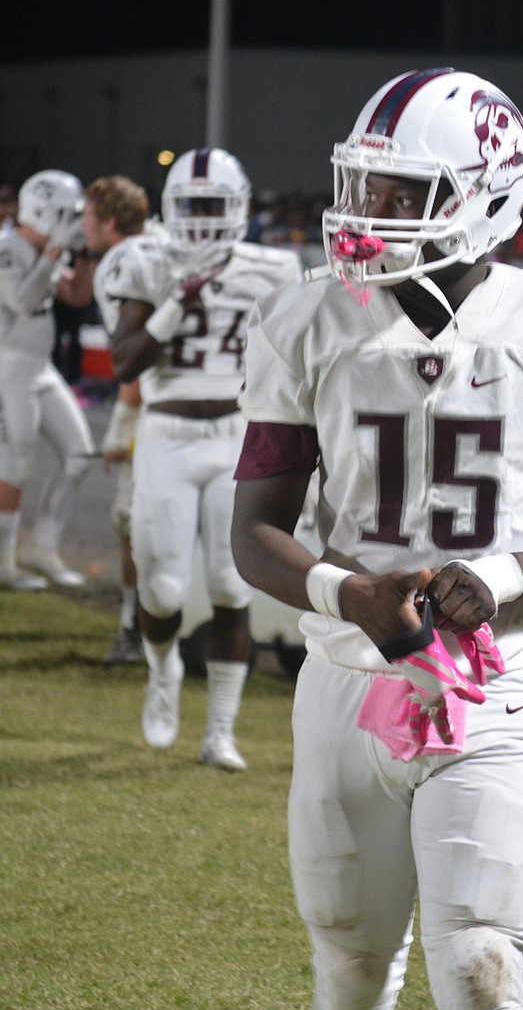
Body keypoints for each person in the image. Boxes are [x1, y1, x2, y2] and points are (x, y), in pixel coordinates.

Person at [230, 67, 523, 1010]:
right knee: (353, 977)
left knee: (481, 974)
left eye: (399, 193)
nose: (365, 214)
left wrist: (497, 575)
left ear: (486, 192)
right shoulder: (308, 319)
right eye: (361, 186)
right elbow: (255, 533)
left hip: (490, 689)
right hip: (343, 685)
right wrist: (345, 591)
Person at [103, 147, 302, 769]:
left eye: (213, 205)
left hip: (235, 432)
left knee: (228, 583)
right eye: (190, 206)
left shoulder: (274, 267)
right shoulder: (146, 259)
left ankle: (220, 730)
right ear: (168, 208)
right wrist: (173, 307)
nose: (201, 218)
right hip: (166, 432)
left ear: (238, 208)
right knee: (161, 590)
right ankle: (162, 672)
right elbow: (125, 361)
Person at [0, 169, 98, 590]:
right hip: (9, 368)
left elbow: (76, 296)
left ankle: (43, 545)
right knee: (16, 467)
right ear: (44, 212)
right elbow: (21, 300)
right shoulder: (7, 248)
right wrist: (56, 249)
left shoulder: (47, 251)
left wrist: (89, 254)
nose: (73, 221)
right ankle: (4, 563)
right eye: (67, 214)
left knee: (78, 455)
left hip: (41, 368)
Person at [83, 175, 156, 663]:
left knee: (132, 522)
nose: (81, 225)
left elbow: (136, 366)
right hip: (220, 409)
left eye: (87, 215)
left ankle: (137, 629)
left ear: (108, 221)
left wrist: (118, 432)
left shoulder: (121, 264)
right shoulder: (160, 246)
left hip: (163, 414)